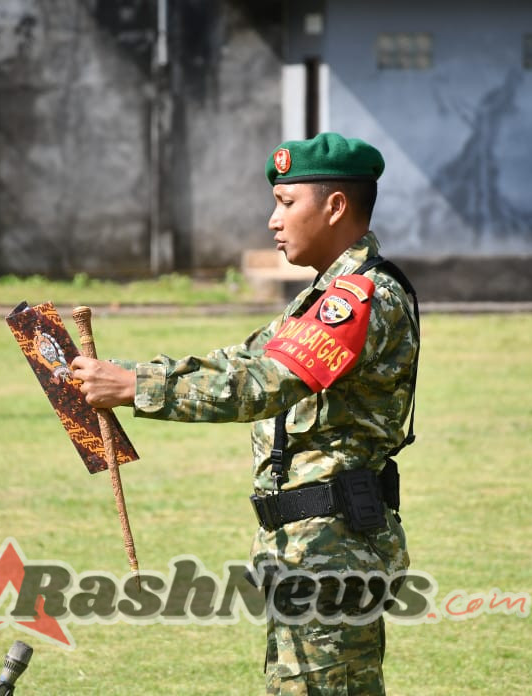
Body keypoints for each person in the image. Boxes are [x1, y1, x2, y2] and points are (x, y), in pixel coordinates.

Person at [70, 132, 420, 694]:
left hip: (334, 552)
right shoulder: (320, 298)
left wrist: (137, 387)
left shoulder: (359, 300)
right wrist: (121, 375)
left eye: (286, 203)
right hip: (310, 548)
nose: (272, 221)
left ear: (334, 207)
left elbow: (262, 385)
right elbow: (241, 360)